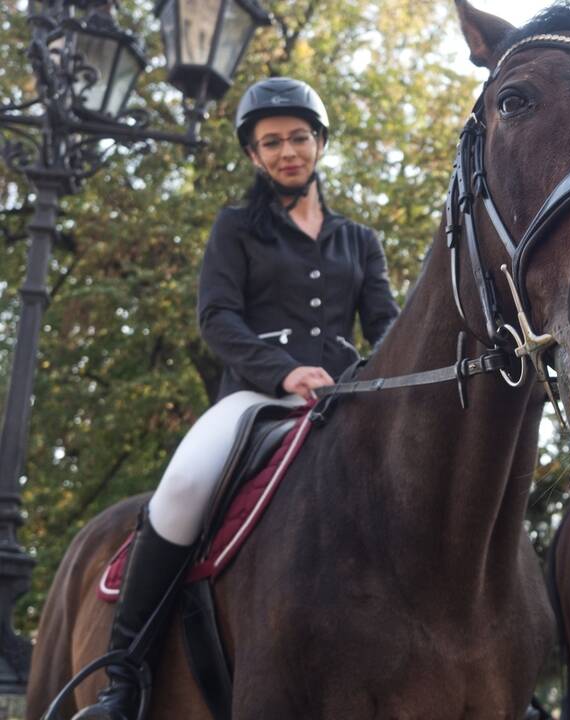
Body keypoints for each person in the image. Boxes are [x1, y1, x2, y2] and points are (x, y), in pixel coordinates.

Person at [76, 77, 399, 720]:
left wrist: (384, 375)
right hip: (255, 401)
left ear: (319, 143)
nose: (287, 151)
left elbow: (385, 323)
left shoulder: (359, 240)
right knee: (183, 487)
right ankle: (125, 675)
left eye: (298, 138)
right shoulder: (235, 228)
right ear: (254, 155)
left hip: (345, 401)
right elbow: (218, 319)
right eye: (271, 142)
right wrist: (284, 373)